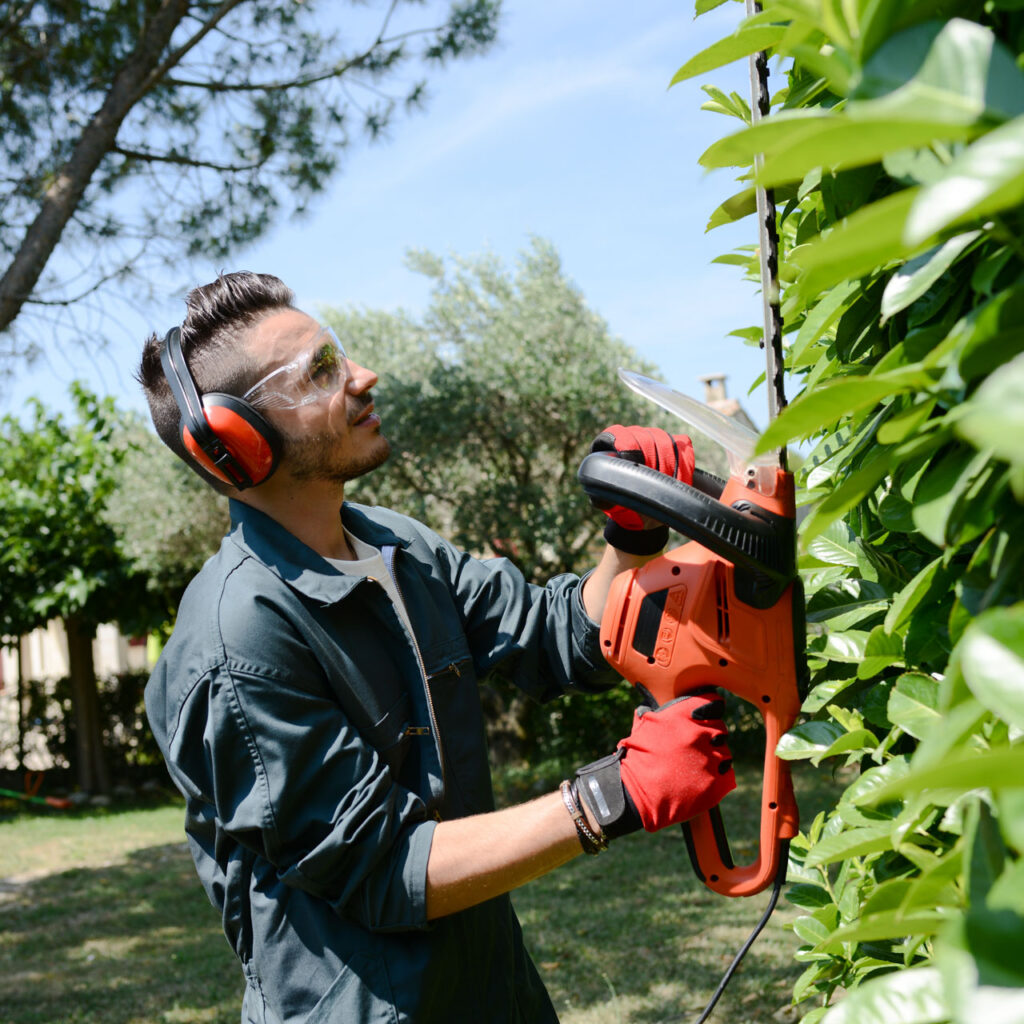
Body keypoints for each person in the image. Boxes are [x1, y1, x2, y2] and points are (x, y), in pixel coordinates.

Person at [138, 271, 734, 1024]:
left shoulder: (397, 546)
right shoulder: (237, 639)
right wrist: (609, 798)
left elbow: (557, 636)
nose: (362, 376)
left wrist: (631, 536)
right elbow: (386, 867)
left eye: (340, 354)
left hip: (494, 992)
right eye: (320, 371)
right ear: (236, 442)